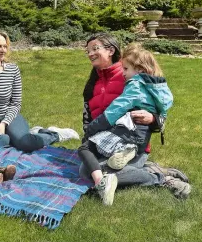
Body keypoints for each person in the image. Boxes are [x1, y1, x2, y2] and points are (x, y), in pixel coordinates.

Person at [79, 33, 191, 205]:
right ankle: (150, 168)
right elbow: (87, 117)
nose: (90, 54)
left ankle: (161, 178)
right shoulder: (93, 82)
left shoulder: (131, 78)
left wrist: (152, 119)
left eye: (95, 49)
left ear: (110, 50)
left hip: (131, 145)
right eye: (88, 51)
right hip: (104, 142)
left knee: (93, 174)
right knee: (84, 170)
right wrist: (88, 137)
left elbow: (159, 113)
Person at [0, 29, 79, 152]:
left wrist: (4, 123)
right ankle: (15, 139)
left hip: (9, 116)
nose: (3, 50)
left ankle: (53, 134)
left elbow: (16, 103)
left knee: (25, 143)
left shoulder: (13, 70)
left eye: (5, 46)